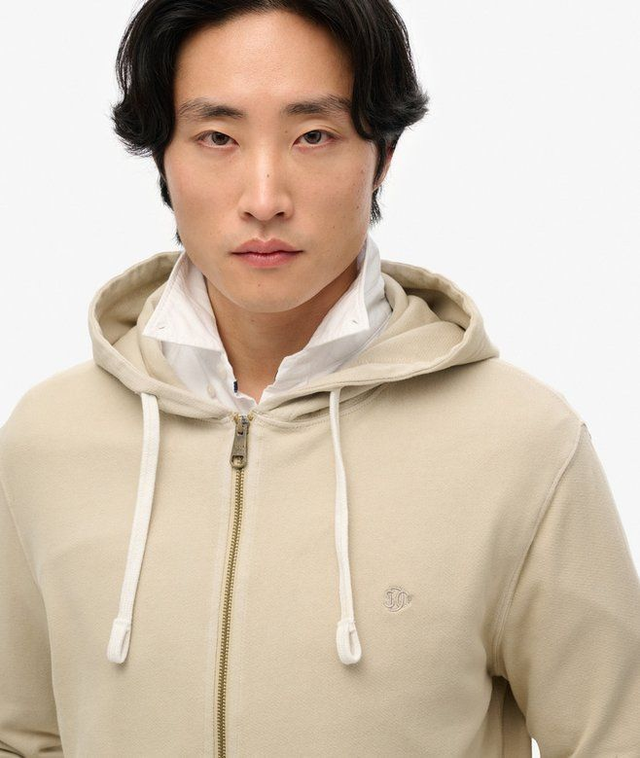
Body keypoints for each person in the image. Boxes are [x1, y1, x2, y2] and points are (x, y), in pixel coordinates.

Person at [1, 0, 638, 755]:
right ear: (161, 153)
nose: (264, 199)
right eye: (217, 137)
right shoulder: (47, 440)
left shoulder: (525, 446)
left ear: (383, 153)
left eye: (313, 135)